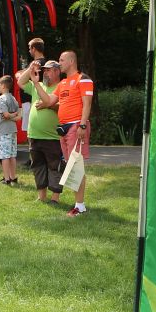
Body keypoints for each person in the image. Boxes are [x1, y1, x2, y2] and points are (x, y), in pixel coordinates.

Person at [17, 58, 64, 205]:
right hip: (34, 135)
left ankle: (55, 198)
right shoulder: (38, 85)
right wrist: (31, 68)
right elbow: (20, 82)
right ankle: (42, 196)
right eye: (44, 70)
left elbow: (62, 106)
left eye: (48, 70)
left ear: (57, 71)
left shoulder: (61, 87)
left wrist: (48, 104)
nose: (45, 73)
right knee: (38, 166)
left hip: (53, 136)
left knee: (55, 167)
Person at [54, 50, 95, 216]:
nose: (59, 63)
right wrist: (35, 83)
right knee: (71, 166)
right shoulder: (62, 83)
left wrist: (82, 126)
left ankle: (80, 206)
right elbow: (50, 100)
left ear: (71, 61)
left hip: (76, 126)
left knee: (76, 166)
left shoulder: (83, 79)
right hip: (64, 128)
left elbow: (87, 104)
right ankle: (78, 204)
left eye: (61, 60)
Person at [0, 74, 21, 184]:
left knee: (4, 155)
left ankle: (6, 179)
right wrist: (14, 115)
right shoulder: (13, 98)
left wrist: (10, 115)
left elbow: (5, 115)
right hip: (13, 130)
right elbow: (19, 115)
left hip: (3, 130)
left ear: (3, 86)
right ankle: (13, 177)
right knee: (12, 155)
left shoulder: (1, 99)